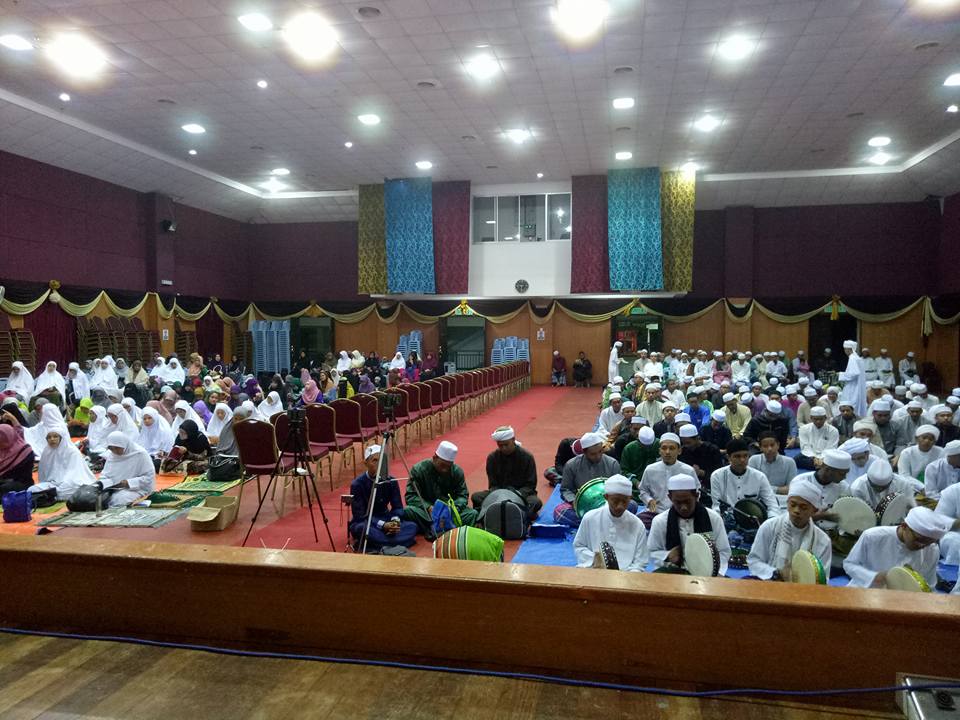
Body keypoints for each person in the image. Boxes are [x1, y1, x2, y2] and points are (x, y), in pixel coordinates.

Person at [843, 506, 951, 589]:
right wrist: (873, 577)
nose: (922, 546)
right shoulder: (873, 536)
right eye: (918, 539)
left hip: (904, 600)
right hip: (865, 590)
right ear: (904, 526)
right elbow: (849, 564)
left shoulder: (932, 549)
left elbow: (929, 584)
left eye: (928, 542)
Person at [746, 478, 832, 581]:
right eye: (793, 504)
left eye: (803, 507)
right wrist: (777, 573)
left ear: (814, 510)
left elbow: (823, 579)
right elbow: (754, 561)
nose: (796, 510)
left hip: (805, 589)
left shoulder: (823, 541)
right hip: (770, 583)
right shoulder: (769, 527)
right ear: (787, 503)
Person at [648, 474, 729, 574]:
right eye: (678, 502)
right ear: (670, 498)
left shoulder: (713, 518)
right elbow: (651, 552)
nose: (684, 507)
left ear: (696, 496)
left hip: (707, 573)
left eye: (687, 502)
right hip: (672, 571)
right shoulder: (660, 521)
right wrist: (667, 555)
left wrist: (717, 573)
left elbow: (723, 551)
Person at [573, 474, 648, 572]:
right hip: (593, 571)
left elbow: (640, 562)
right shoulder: (590, 518)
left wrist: (628, 576)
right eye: (615, 501)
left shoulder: (637, 525)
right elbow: (579, 545)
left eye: (624, 501)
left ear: (630, 499)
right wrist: (594, 559)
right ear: (606, 497)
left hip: (626, 575)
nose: (620, 506)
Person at [349, 444, 417, 551]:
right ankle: (396, 542)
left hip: (386, 517)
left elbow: (398, 507)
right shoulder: (357, 484)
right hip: (368, 522)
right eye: (375, 461)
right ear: (366, 463)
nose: (379, 464)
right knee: (361, 529)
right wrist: (383, 525)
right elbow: (360, 516)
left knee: (412, 526)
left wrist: (395, 521)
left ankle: (379, 544)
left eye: (381, 461)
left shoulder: (391, 480)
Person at [404, 441, 478, 537]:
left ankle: (432, 529)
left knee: (472, 514)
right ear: (434, 458)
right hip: (427, 512)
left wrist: (453, 508)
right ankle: (444, 530)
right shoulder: (418, 470)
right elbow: (411, 496)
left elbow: (462, 495)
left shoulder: (457, 471)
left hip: (450, 513)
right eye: (442, 465)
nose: (445, 470)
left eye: (448, 467)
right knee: (408, 511)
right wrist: (428, 507)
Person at [471, 426, 542, 519]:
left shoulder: (527, 457)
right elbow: (493, 485)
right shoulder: (492, 458)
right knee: (476, 497)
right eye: (500, 446)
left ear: (513, 440)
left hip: (521, 495)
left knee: (535, 502)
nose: (504, 448)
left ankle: (512, 515)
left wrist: (515, 495)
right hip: (499, 494)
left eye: (506, 444)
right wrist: (502, 495)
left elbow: (530, 485)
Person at [556, 432, 621, 527]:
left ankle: (589, 524)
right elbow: (566, 489)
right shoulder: (571, 465)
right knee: (559, 511)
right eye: (593, 454)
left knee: (631, 505)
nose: (598, 456)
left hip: (608, 505)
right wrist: (575, 502)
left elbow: (618, 489)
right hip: (583, 507)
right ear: (584, 452)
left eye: (600, 451)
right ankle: (603, 523)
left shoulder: (613, 464)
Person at [710, 439, 779, 517]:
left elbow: (772, 505)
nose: (742, 460)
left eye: (745, 456)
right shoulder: (717, 476)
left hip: (753, 519)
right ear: (728, 457)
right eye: (737, 456)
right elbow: (716, 507)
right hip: (727, 519)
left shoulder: (759, 477)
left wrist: (770, 521)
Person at [638, 433, 695, 525]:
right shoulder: (650, 469)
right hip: (655, 513)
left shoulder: (688, 470)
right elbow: (643, 490)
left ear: (679, 451)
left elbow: (696, 492)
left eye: (671, 448)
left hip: (681, 512)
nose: (667, 452)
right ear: (659, 451)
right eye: (664, 448)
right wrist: (649, 500)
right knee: (640, 522)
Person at [35, 425, 95, 501]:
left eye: (55, 436)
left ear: (61, 438)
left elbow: (74, 473)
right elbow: (43, 474)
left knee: (70, 486)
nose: (52, 439)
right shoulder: (46, 452)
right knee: (33, 489)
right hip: (52, 483)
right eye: (49, 437)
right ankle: (50, 494)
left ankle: (50, 494)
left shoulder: (72, 451)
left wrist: (62, 483)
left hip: (69, 482)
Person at [98, 431, 156, 507]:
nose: (115, 451)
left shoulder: (140, 454)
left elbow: (149, 477)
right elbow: (105, 474)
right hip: (115, 489)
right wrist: (103, 483)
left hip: (137, 489)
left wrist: (129, 482)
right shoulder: (112, 456)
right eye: (111, 449)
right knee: (97, 496)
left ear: (124, 444)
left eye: (117, 448)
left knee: (119, 499)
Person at [850, 459, 915, 511]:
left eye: (883, 487)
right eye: (875, 486)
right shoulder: (857, 487)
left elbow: (910, 507)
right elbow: (857, 511)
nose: (879, 489)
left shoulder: (903, 484)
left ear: (891, 481)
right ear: (869, 480)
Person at [749, 431, 798, 497]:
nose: (769, 449)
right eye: (765, 446)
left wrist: (763, 488)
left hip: (782, 499)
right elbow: (751, 486)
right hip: (759, 498)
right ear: (760, 448)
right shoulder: (754, 460)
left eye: (772, 445)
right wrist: (779, 489)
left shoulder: (790, 462)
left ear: (778, 445)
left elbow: (791, 489)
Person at [678, 424, 723, 493]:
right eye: (684, 443)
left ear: (697, 439)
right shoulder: (683, 451)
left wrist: (702, 473)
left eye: (688, 443)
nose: (686, 446)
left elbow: (720, 475)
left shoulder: (712, 450)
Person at [797, 406, 839, 471]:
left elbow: (831, 448)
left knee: (835, 460)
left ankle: (819, 466)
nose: (818, 421)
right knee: (796, 459)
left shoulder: (833, 430)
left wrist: (821, 458)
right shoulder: (804, 429)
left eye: (821, 419)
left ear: (825, 418)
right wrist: (814, 458)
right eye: (815, 419)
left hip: (826, 456)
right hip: (810, 457)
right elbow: (805, 447)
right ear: (811, 418)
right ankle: (822, 467)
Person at [0, 424, 35, 497]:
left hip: (22, 482)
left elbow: (22, 476)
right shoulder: (2, 449)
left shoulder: (25, 451)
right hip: (5, 481)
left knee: (4, 488)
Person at [838, 340, 866, 417]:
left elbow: (854, 373)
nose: (845, 351)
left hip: (852, 386)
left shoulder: (852, 358)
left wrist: (840, 375)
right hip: (856, 385)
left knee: (851, 403)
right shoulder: (856, 358)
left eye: (845, 349)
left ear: (849, 349)